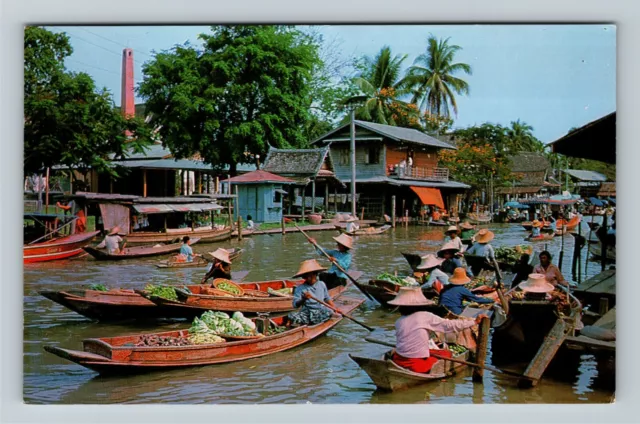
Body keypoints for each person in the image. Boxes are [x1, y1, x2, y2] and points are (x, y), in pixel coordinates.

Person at [388, 287, 487, 374]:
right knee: (447, 354)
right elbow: (449, 325)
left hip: (398, 359)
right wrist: (474, 321)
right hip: (416, 364)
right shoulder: (424, 316)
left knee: (437, 352)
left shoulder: (399, 321)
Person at [287, 259, 336, 326]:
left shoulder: (321, 284)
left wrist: (335, 308)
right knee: (291, 315)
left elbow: (327, 298)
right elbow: (295, 305)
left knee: (330, 311)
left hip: (320, 311)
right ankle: (308, 323)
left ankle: (314, 323)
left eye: (310, 275)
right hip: (307, 313)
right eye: (305, 276)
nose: (308, 278)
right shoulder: (300, 288)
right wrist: (303, 299)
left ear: (315, 274)